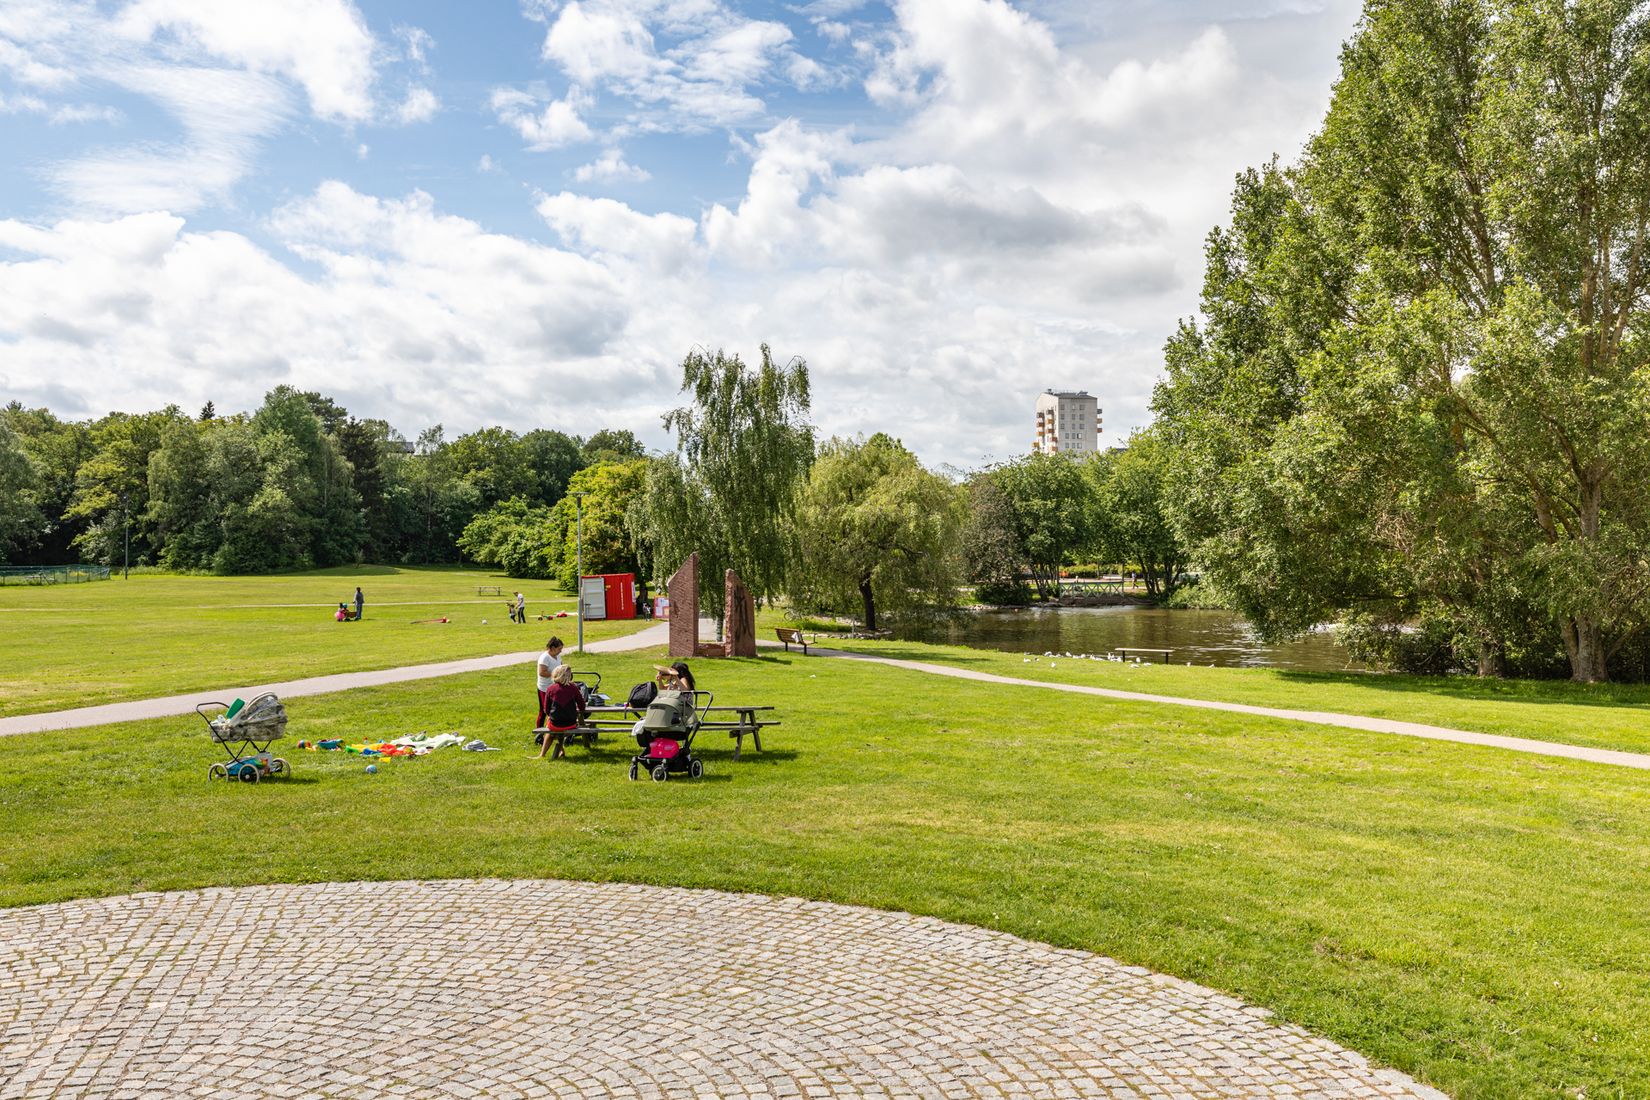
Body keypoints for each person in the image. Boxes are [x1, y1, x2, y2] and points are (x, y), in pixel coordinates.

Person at [536, 663, 588, 759]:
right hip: (571, 724)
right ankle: (561, 751)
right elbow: (582, 707)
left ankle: (542, 754)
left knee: (551, 729)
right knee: (556, 729)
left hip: (555, 724)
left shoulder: (550, 689)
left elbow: (546, 709)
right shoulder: (574, 688)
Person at [535, 636, 565, 727]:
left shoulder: (558, 656)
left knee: (555, 709)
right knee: (544, 710)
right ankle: (540, 731)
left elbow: (561, 667)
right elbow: (542, 672)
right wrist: (555, 675)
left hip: (555, 687)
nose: (561, 651)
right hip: (545, 688)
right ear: (552, 648)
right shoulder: (545, 658)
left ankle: (554, 729)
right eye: (559, 649)